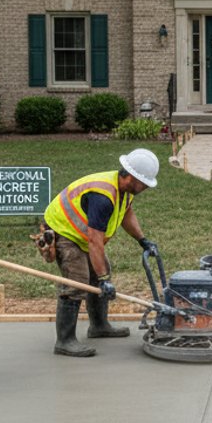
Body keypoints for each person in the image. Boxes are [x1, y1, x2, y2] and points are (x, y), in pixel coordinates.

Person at [42, 149, 159, 357]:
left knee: (99, 275)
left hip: (81, 233)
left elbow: (126, 215)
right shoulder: (102, 197)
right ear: (131, 177)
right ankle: (64, 340)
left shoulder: (123, 191)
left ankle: (99, 326)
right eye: (143, 183)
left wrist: (143, 240)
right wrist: (104, 279)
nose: (145, 188)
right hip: (64, 231)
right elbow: (94, 240)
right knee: (77, 280)